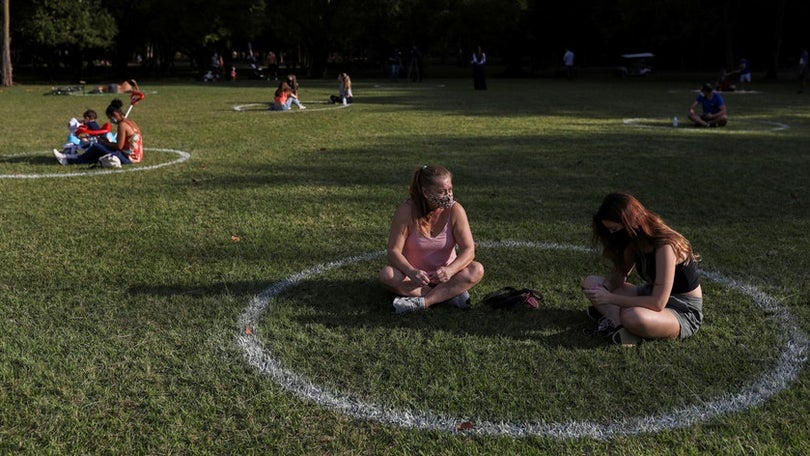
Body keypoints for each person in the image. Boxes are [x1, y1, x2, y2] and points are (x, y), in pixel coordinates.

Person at [581, 193, 703, 346]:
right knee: (591, 283)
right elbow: (619, 277)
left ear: (629, 222)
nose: (612, 234)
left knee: (632, 316)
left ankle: (619, 320)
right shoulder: (634, 240)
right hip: (650, 293)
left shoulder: (665, 245)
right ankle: (620, 326)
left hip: (682, 309)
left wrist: (610, 299)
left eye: (614, 229)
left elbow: (657, 303)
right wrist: (604, 289)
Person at [379, 165, 484, 313]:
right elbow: (393, 251)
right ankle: (448, 296)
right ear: (425, 192)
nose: (448, 195)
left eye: (450, 190)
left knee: (476, 269)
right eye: (442, 192)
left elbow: (469, 250)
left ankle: (423, 302)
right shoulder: (406, 210)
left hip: (448, 276)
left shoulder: (455, 210)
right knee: (387, 274)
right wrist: (412, 272)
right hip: (414, 279)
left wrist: (450, 270)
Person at [53, 99, 143, 167]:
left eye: (110, 118)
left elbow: (119, 147)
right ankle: (102, 160)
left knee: (96, 146)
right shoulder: (132, 122)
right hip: (136, 157)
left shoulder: (122, 125)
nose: (111, 121)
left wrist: (104, 142)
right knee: (98, 151)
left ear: (115, 114)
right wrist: (107, 143)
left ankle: (68, 160)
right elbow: (124, 145)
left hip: (128, 158)